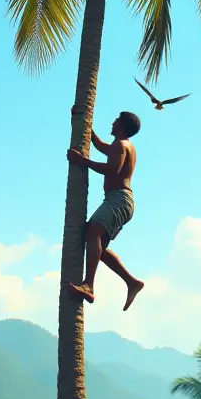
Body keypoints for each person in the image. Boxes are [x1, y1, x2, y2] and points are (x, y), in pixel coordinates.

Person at [66, 110, 145, 311]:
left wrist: (82, 161)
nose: (113, 122)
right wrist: (84, 126)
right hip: (119, 199)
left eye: (116, 120)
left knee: (93, 232)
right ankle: (132, 282)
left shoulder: (121, 145)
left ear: (122, 126)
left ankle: (88, 285)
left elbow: (112, 170)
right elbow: (100, 145)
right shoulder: (120, 146)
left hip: (119, 199)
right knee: (97, 246)